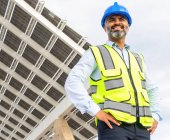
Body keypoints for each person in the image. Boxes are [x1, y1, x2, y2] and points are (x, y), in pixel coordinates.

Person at [65, 2, 162, 140]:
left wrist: (156, 116)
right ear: (105, 27)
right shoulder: (96, 52)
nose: (117, 22)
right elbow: (72, 82)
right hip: (113, 126)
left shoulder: (138, 58)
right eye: (112, 20)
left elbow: (152, 89)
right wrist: (96, 111)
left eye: (121, 19)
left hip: (142, 129)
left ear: (128, 25)